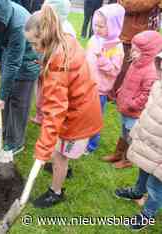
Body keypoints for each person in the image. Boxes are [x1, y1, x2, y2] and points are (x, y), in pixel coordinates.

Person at [24, 4, 102, 207]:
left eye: (34, 44)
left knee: (58, 156)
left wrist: (42, 151)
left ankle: (56, 191)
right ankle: (63, 167)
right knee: (60, 152)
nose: (33, 49)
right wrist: (43, 65)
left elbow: (53, 114)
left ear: (46, 36)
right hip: (82, 106)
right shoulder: (64, 40)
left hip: (77, 118)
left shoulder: (58, 68)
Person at [0, 0, 40, 155]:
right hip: (10, 55)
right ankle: (5, 131)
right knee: (7, 98)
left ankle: (16, 142)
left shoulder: (18, 25)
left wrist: (1, 96)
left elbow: (13, 65)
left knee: (18, 102)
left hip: (27, 62)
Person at [114, 52, 162, 231]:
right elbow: (149, 111)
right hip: (150, 143)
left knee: (156, 186)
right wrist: (138, 132)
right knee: (143, 171)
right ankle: (137, 191)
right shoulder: (158, 85)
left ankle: (147, 214)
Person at [103, 30, 162, 169]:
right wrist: (120, 90)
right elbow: (128, 80)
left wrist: (132, 104)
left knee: (130, 134)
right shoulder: (135, 63)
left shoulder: (150, 71)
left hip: (133, 111)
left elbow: (146, 94)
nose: (132, 53)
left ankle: (127, 159)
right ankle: (118, 153)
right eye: (133, 50)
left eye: (137, 51)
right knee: (123, 132)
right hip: (125, 107)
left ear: (148, 53)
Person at [85, 4, 125, 153]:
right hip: (86, 84)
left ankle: (91, 145)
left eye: (101, 26)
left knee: (95, 118)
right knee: (84, 114)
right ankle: (81, 138)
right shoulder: (95, 39)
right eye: (95, 24)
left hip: (100, 90)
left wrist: (101, 59)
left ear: (114, 26)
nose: (97, 28)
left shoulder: (116, 47)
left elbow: (114, 70)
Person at [30, 0, 76, 126]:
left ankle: (50, 120)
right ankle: (40, 116)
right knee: (39, 93)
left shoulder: (66, 31)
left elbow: (64, 57)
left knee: (51, 95)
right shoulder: (47, 25)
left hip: (54, 70)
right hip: (42, 65)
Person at [109, 0, 160, 99]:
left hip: (144, 35)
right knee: (122, 65)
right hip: (129, 33)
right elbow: (127, 4)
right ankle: (114, 93)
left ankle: (123, 93)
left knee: (138, 68)